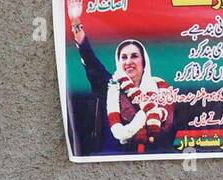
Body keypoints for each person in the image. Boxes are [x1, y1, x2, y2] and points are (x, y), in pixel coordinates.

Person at [68, 16, 175, 155]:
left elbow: (170, 128)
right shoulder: (111, 86)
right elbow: (91, 62)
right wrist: (76, 24)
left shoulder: (161, 88)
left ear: (144, 62)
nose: (129, 61)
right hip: (116, 160)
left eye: (134, 56)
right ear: (119, 63)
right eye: (124, 57)